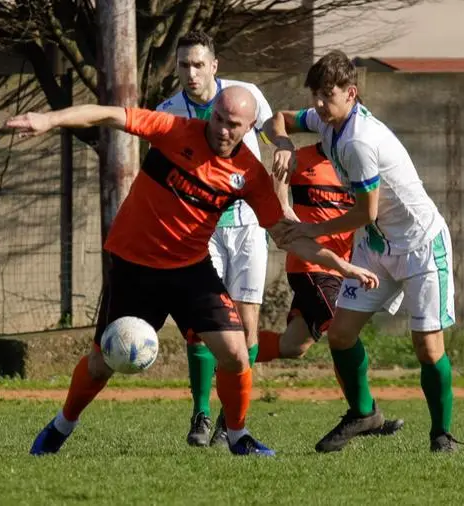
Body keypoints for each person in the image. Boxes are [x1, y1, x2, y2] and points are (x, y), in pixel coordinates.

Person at [7, 86, 379, 457]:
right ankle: (62, 425)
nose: (221, 129)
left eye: (233, 125)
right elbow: (109, 114)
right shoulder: (174, 130)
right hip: (134, 266)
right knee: (102, 363)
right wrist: (49, 120)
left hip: (190, 270)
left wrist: (340, 264)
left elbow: (285, 234)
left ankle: (238, 435)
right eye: (218, 118)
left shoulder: (248, 173)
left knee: (235, 353)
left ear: (249, 127)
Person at [264, 50, 462, 453]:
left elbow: (363, 211)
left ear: (350, 93)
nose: (318, 104)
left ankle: (442, 435)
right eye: (316, 94)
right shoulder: (326, 119)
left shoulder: (358, 141)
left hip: (421, 245)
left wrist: (311, 229)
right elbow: (279, 118)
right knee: (340, 334)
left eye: (327, 95)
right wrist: (282, 142)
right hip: (376, 245)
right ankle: (364, 414)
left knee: (428, 347)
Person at [155, 31, 283, 448]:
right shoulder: (169, 111)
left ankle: (233, 419)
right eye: (182, 65)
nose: (190, 73)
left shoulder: (245, 97)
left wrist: (281, 144)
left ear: (214, 65)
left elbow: (271, 129)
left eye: (197, 64)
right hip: (199, 228)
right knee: (202, 325)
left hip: (246, 224)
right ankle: (201, 414)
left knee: (246, 328)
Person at [255, 142, 405, 436]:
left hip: (344, 267)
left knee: (292, 346)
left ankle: (232, 352)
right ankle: (363, 412)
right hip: (309, 267)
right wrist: (284, 204)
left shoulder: (356, 165)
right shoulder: (302, 157)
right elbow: (276, 182)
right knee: (341, 331)